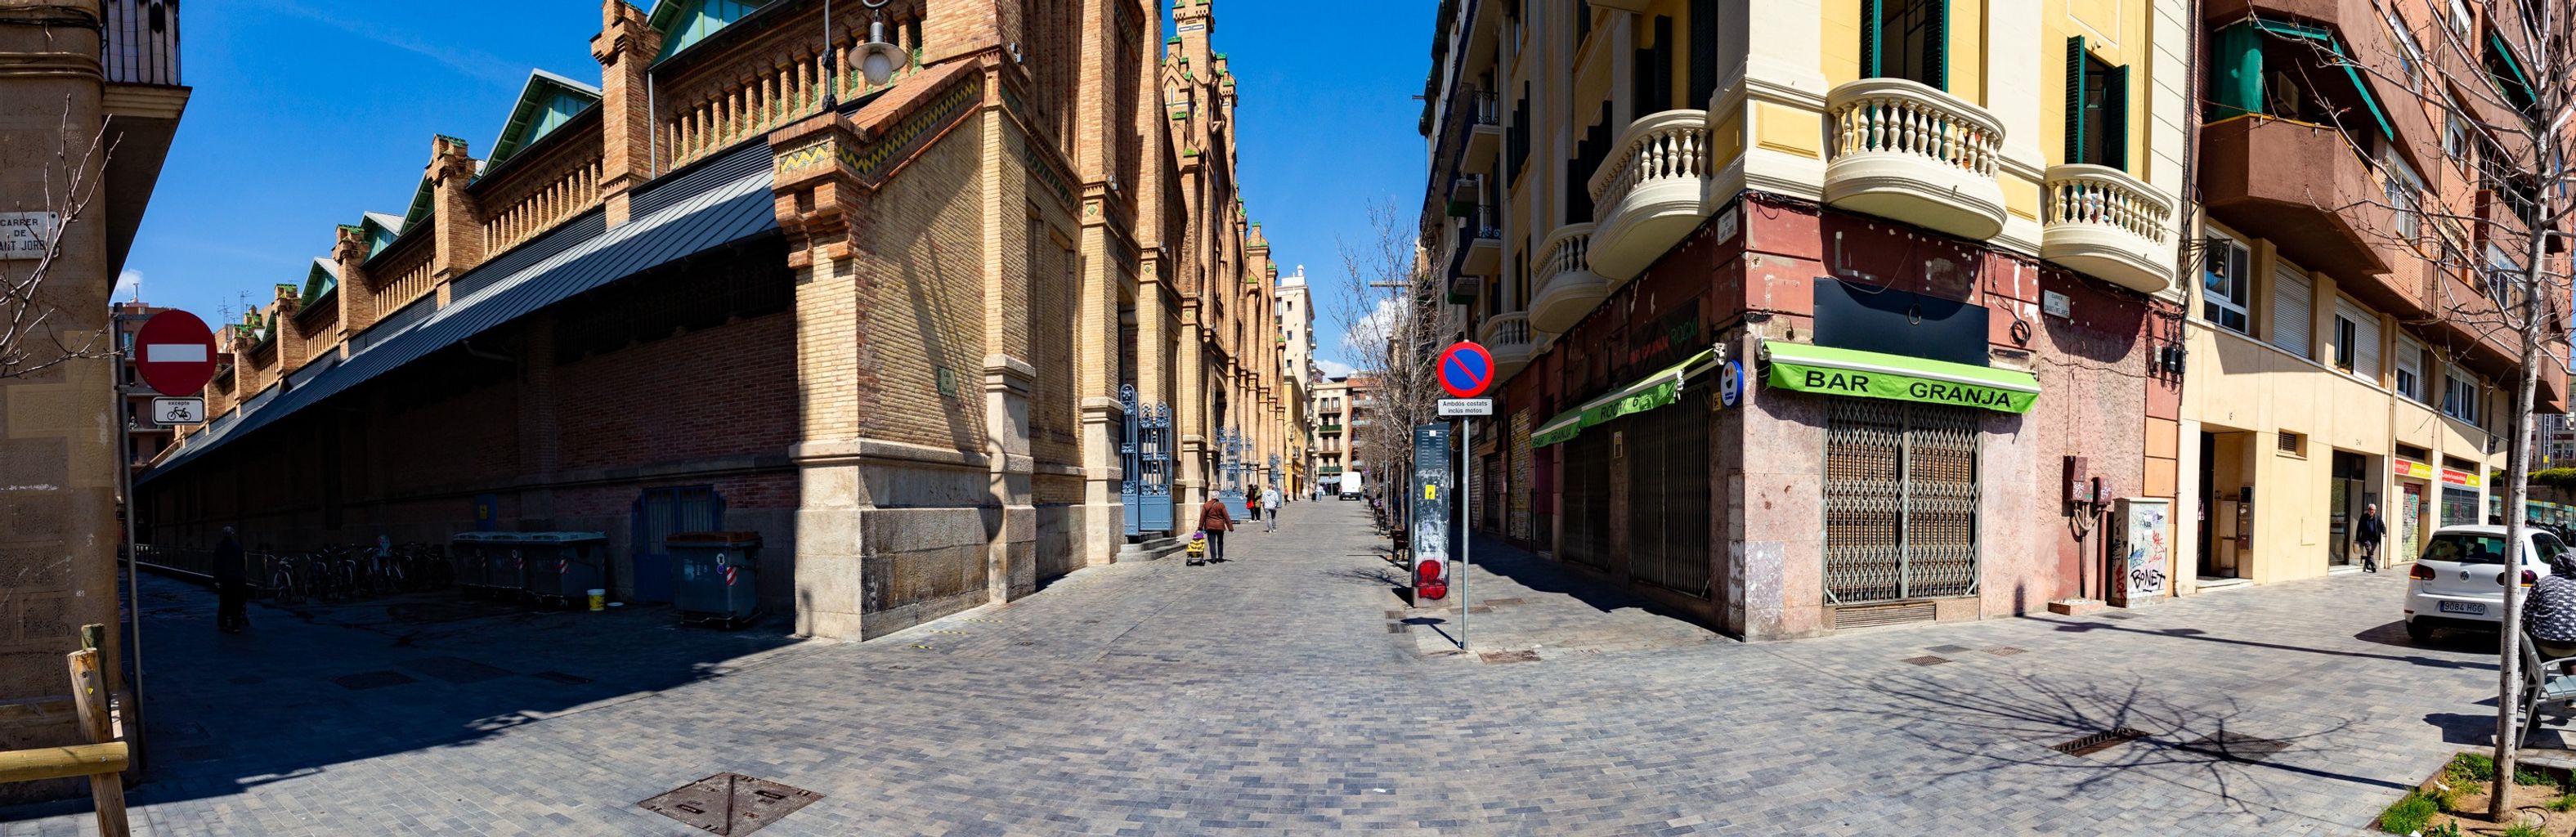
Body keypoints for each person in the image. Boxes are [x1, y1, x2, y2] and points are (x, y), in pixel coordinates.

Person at [2527, 548, 2576, 667]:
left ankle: (2532, 679)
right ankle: (2571, 676)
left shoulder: (2542, 583)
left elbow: (2526, 613)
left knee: (2524, 635)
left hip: (2544, 644)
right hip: (2573, 646)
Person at [212, 526, 248, 633]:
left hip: (225, 578)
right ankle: (236, 625)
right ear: (232, 534)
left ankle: (222, 623)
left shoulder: (220, 547)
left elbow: (216, 564)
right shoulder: (238, 547)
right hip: (237, 578)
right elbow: (242, 562)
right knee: (237, 601)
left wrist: (217, 579)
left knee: (224, 601)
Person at [1197, 495, 1236, 562]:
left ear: (1212, 497)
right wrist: (1230, 527)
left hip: (1210, 526)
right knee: (1220, 542)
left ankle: (1213, 559)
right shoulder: (1221, 505)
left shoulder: (1206, 505)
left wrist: (1200, 527)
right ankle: (1220, 558)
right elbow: (1226, 516)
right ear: (1218, 497)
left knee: (1212, 543)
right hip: (1220, 526)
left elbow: (1202, 517)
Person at [2355, 504, 2387, 573]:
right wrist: (2358, 539)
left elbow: (2382, 526)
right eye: (2370, 509)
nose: (2371, 511)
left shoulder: (2378, 518)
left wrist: (2384, 533)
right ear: (2368, 510)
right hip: (2366, 538)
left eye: (2373, 510)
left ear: (2375, 511)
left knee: (2370, 552)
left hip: (2375, 538)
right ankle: (2373, 565)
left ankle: (2367, 563)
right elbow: (2359, 528)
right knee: (2369, 549)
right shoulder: (2363, 517)